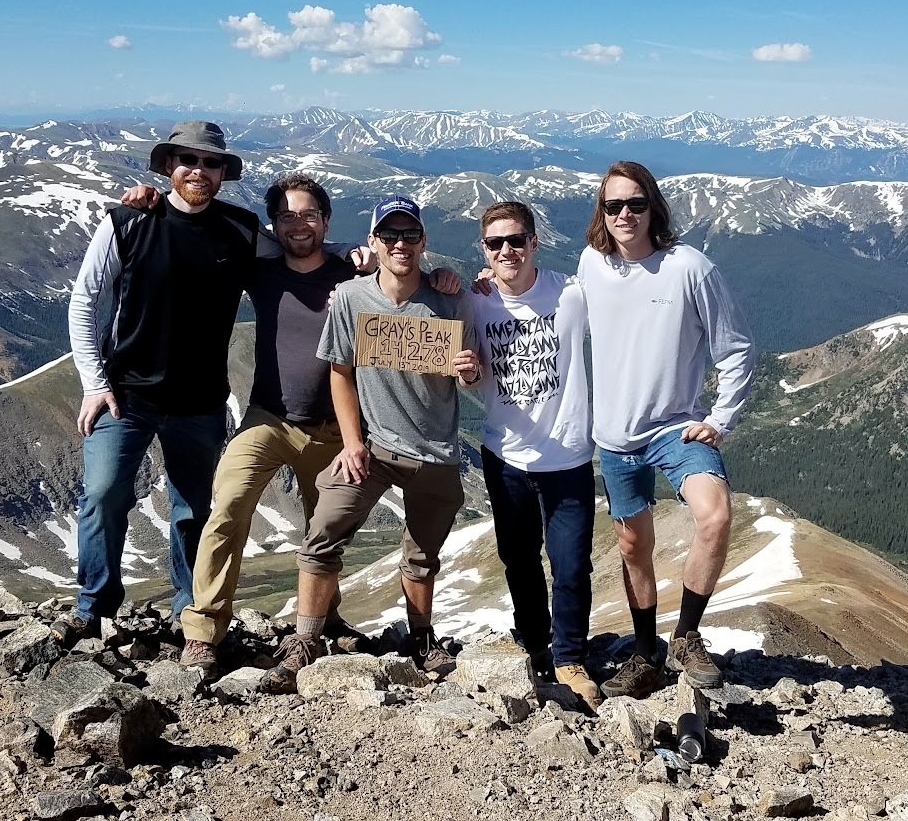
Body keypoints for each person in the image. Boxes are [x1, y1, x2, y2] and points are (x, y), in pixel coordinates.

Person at [57, 122, 364, 645]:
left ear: (224, 173)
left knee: (194, 508)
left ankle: (187, 609)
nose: (198, 171)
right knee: (104, 494)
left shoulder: (241, 231)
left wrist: (360, 253)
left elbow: (298, 243)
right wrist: (93, 380)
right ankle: (94, 604)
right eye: (187, 161)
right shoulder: (128, 220)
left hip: (200, 400)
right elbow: (85, 300)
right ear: (167, 166)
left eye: (211, 163)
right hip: (126, 393)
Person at [262, 195, 481, 692]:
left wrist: (469, 374)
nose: (400, 243)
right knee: (324, 531)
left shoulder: (451, 299)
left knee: (423, 555)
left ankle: (420, 639)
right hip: (374, 450)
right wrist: (352, 441)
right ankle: (305, 641)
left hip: (436, 452)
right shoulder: (351, 299)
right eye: (390, 235)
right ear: (374, 243)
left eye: (409, 235)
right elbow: (340, 372)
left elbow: (469, 379)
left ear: (424, 242)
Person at [577, 161, 755, 697]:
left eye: (635, 203)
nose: (625, 214)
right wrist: (492, 287)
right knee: (633, 548)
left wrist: (721, 418)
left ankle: (686, 636)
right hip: (614, 437)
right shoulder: (592, 263)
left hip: (676, 430)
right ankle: (644, 651)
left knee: (715, 513)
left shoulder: (689, 267)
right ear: (601, 214)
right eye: (614, 206)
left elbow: (736, 346)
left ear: (653, 206)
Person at [467, 201, 599, 707]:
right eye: (496, 243)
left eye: (517, 240)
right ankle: (534, 646)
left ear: (534, 243)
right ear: (484, 249)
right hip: (505, 456)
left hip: (567, 456)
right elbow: (473, 371)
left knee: (570, 565)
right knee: (518, 560)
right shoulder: (476, 302)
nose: (507, 251)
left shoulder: (570, 293)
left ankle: (569, 656)